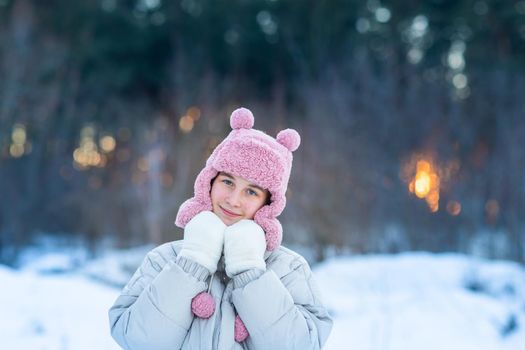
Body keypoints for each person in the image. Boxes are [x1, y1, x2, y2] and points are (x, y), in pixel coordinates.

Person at [108, 107, 333, 349]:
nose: (233, 200)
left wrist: (250, 271)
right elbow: (136, 339)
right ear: (209, 182)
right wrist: (192, 263)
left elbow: (303, 346)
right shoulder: (165, 259)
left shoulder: (289, 269)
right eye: (227, 182)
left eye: (251, 191)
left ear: (267, 204)